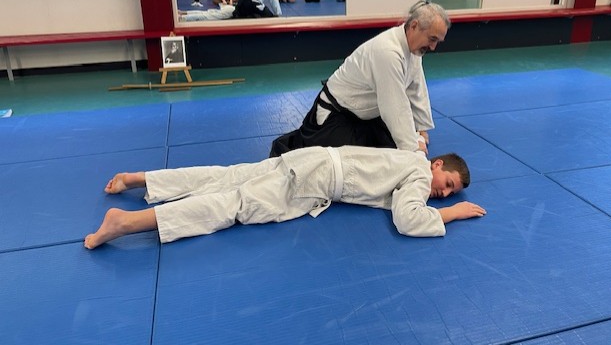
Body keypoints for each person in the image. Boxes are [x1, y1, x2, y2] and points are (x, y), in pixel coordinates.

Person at [84, 146, 486, 249]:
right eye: (448, 182)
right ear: (436, 164)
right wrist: (452, 213)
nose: (443, 192)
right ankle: (126, 222)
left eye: (449, 192)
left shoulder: (410, 155)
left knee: (227, 175)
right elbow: (408, 218)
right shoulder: (419, 175)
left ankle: (140, 179)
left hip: (310, 158)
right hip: (316, 181)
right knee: (235, 205)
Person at [270, 0, 450, 158]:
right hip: (336, 114)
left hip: (366, 115)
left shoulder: (415, 49)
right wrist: (413, 150)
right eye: (432, 39)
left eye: (437, 42)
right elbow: (394, 106)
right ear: (414, 26)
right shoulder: (388, 52)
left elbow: (416, 89)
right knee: (348, 165)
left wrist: (422, 129)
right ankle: (294, 143)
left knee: (389, 150)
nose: (433, 47)